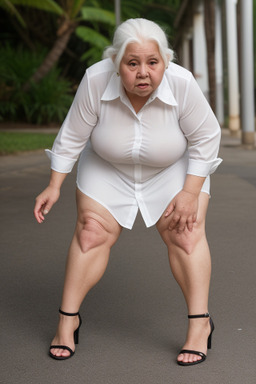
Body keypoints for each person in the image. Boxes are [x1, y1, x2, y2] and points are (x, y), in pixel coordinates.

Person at [34, 18, 222, 366]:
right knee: (90, 233)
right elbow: (72, 135)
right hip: (107, 167)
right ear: (115, 62)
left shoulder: (182, 83)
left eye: (152, 62)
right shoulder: (95, 79)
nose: (143, 73)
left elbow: (206, 138)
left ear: (165, 61)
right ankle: (67, 320)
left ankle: (200, 326)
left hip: (173, 169)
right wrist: (54, 185)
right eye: (132, 63)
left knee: (185, 233)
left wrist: (190, 192)